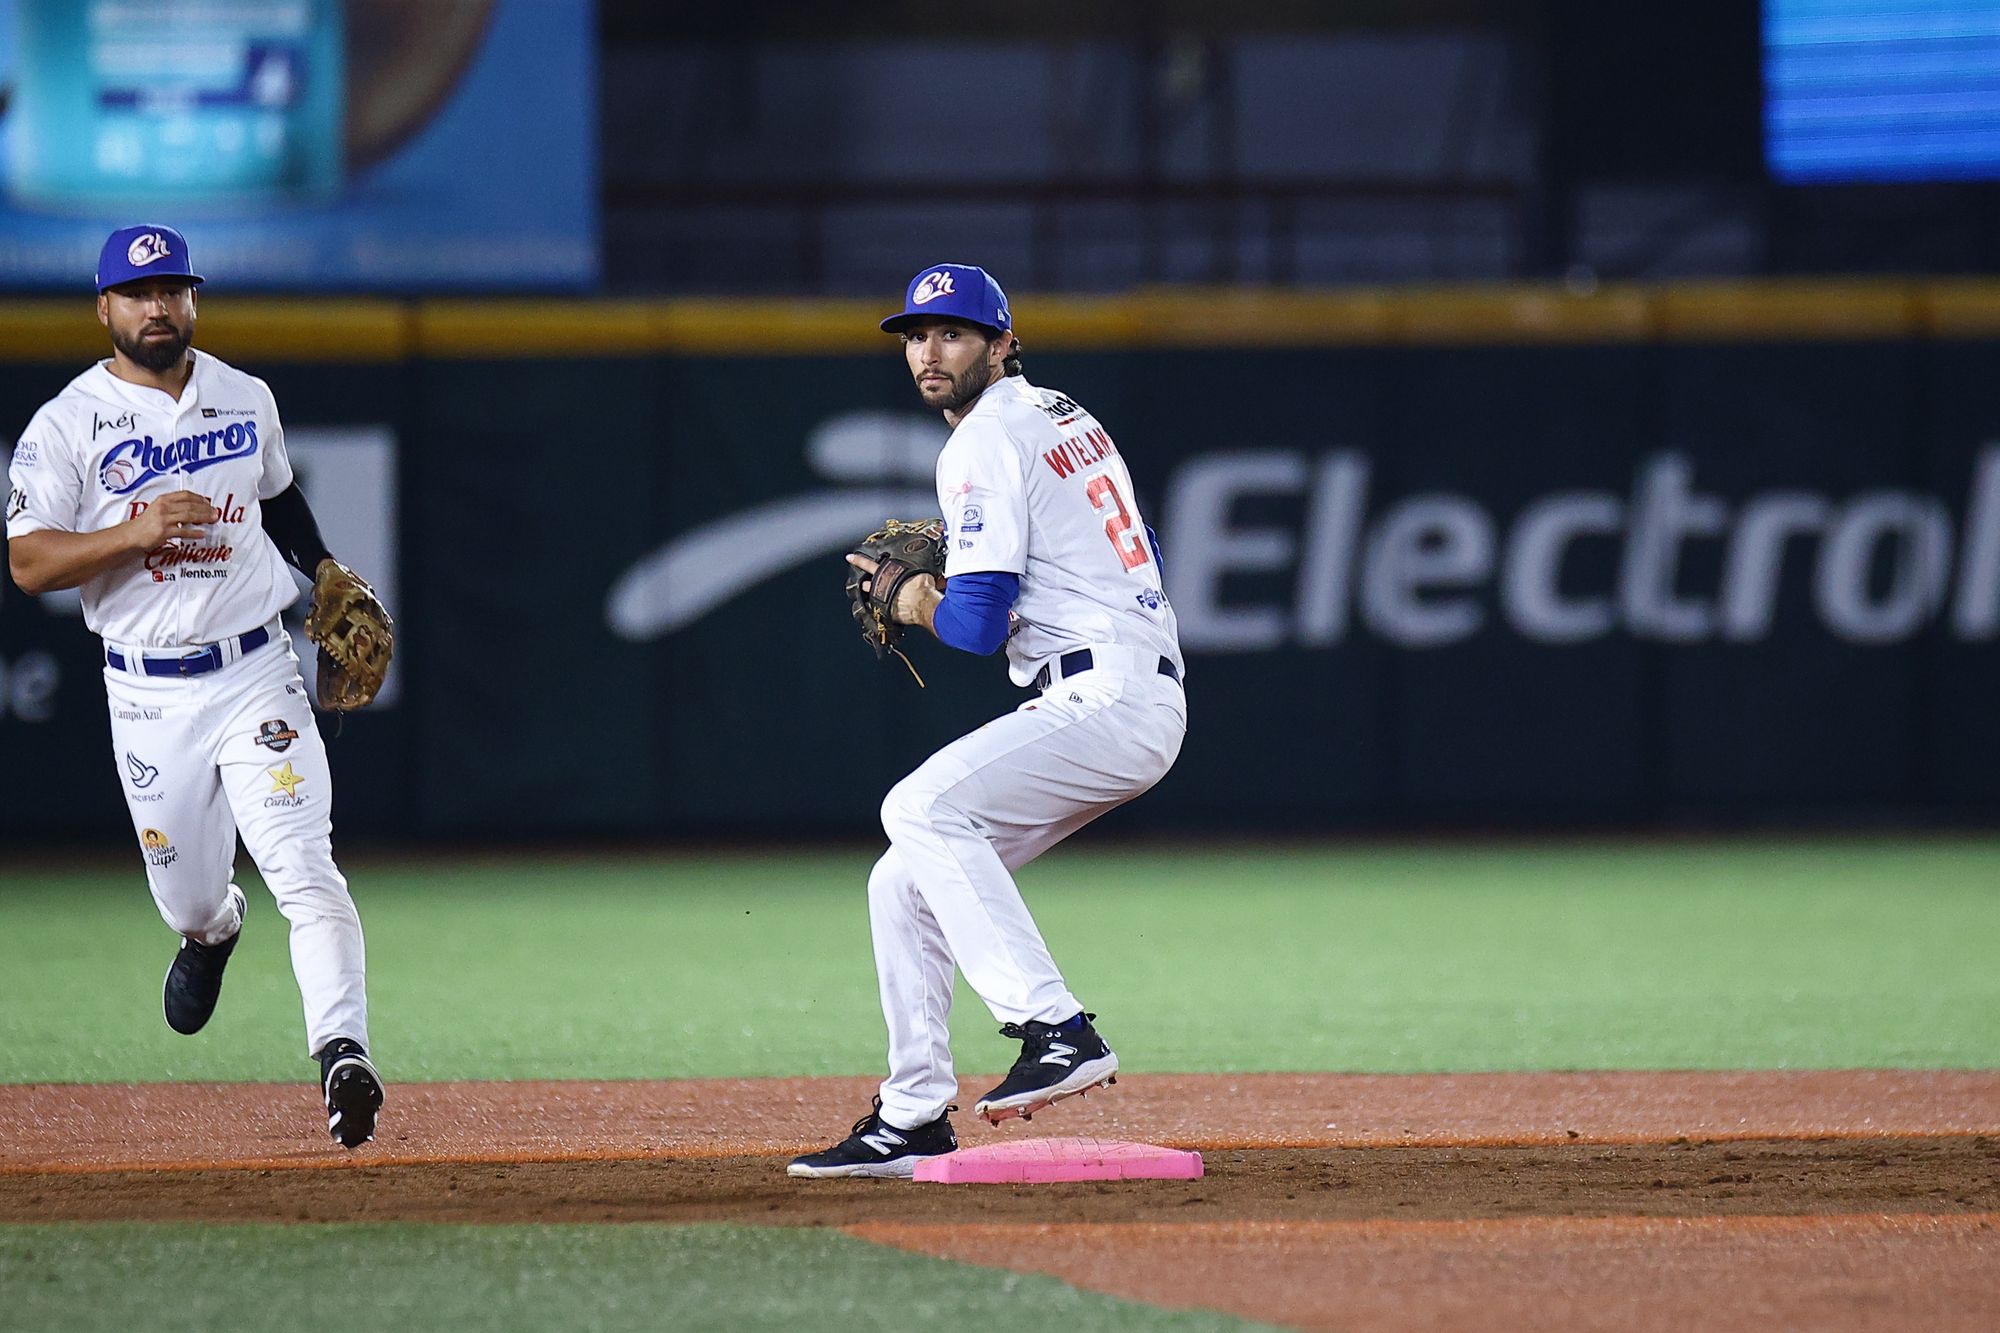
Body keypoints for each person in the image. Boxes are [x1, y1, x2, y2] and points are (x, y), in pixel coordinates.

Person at [789, 264, 1187, 1179]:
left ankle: (1054, 1025)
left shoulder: (980, 441)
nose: (930, 353)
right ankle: (912, 1114)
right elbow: (1147, 549)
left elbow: (974, 625)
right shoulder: (1065, 413)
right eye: (917, 336)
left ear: (1002, 342)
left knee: (922, 808)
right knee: (904, 881)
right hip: (1126, 685)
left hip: (1104, 692)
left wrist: (910, 593)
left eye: (955, 334)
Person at [4, 225, 384, 1149]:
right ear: (105, 309)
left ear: (193, 300)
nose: (158, 307)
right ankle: (213, 932)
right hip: (148, 695)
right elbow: (26, 560)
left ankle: (344, 1053)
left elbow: (278, 494)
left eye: (173, 289)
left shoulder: (244, 396)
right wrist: (126, 536)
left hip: (258, 670)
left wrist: (325, 564)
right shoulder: (66, 424)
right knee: (188, 897)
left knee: (307, 869)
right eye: (138, 294)